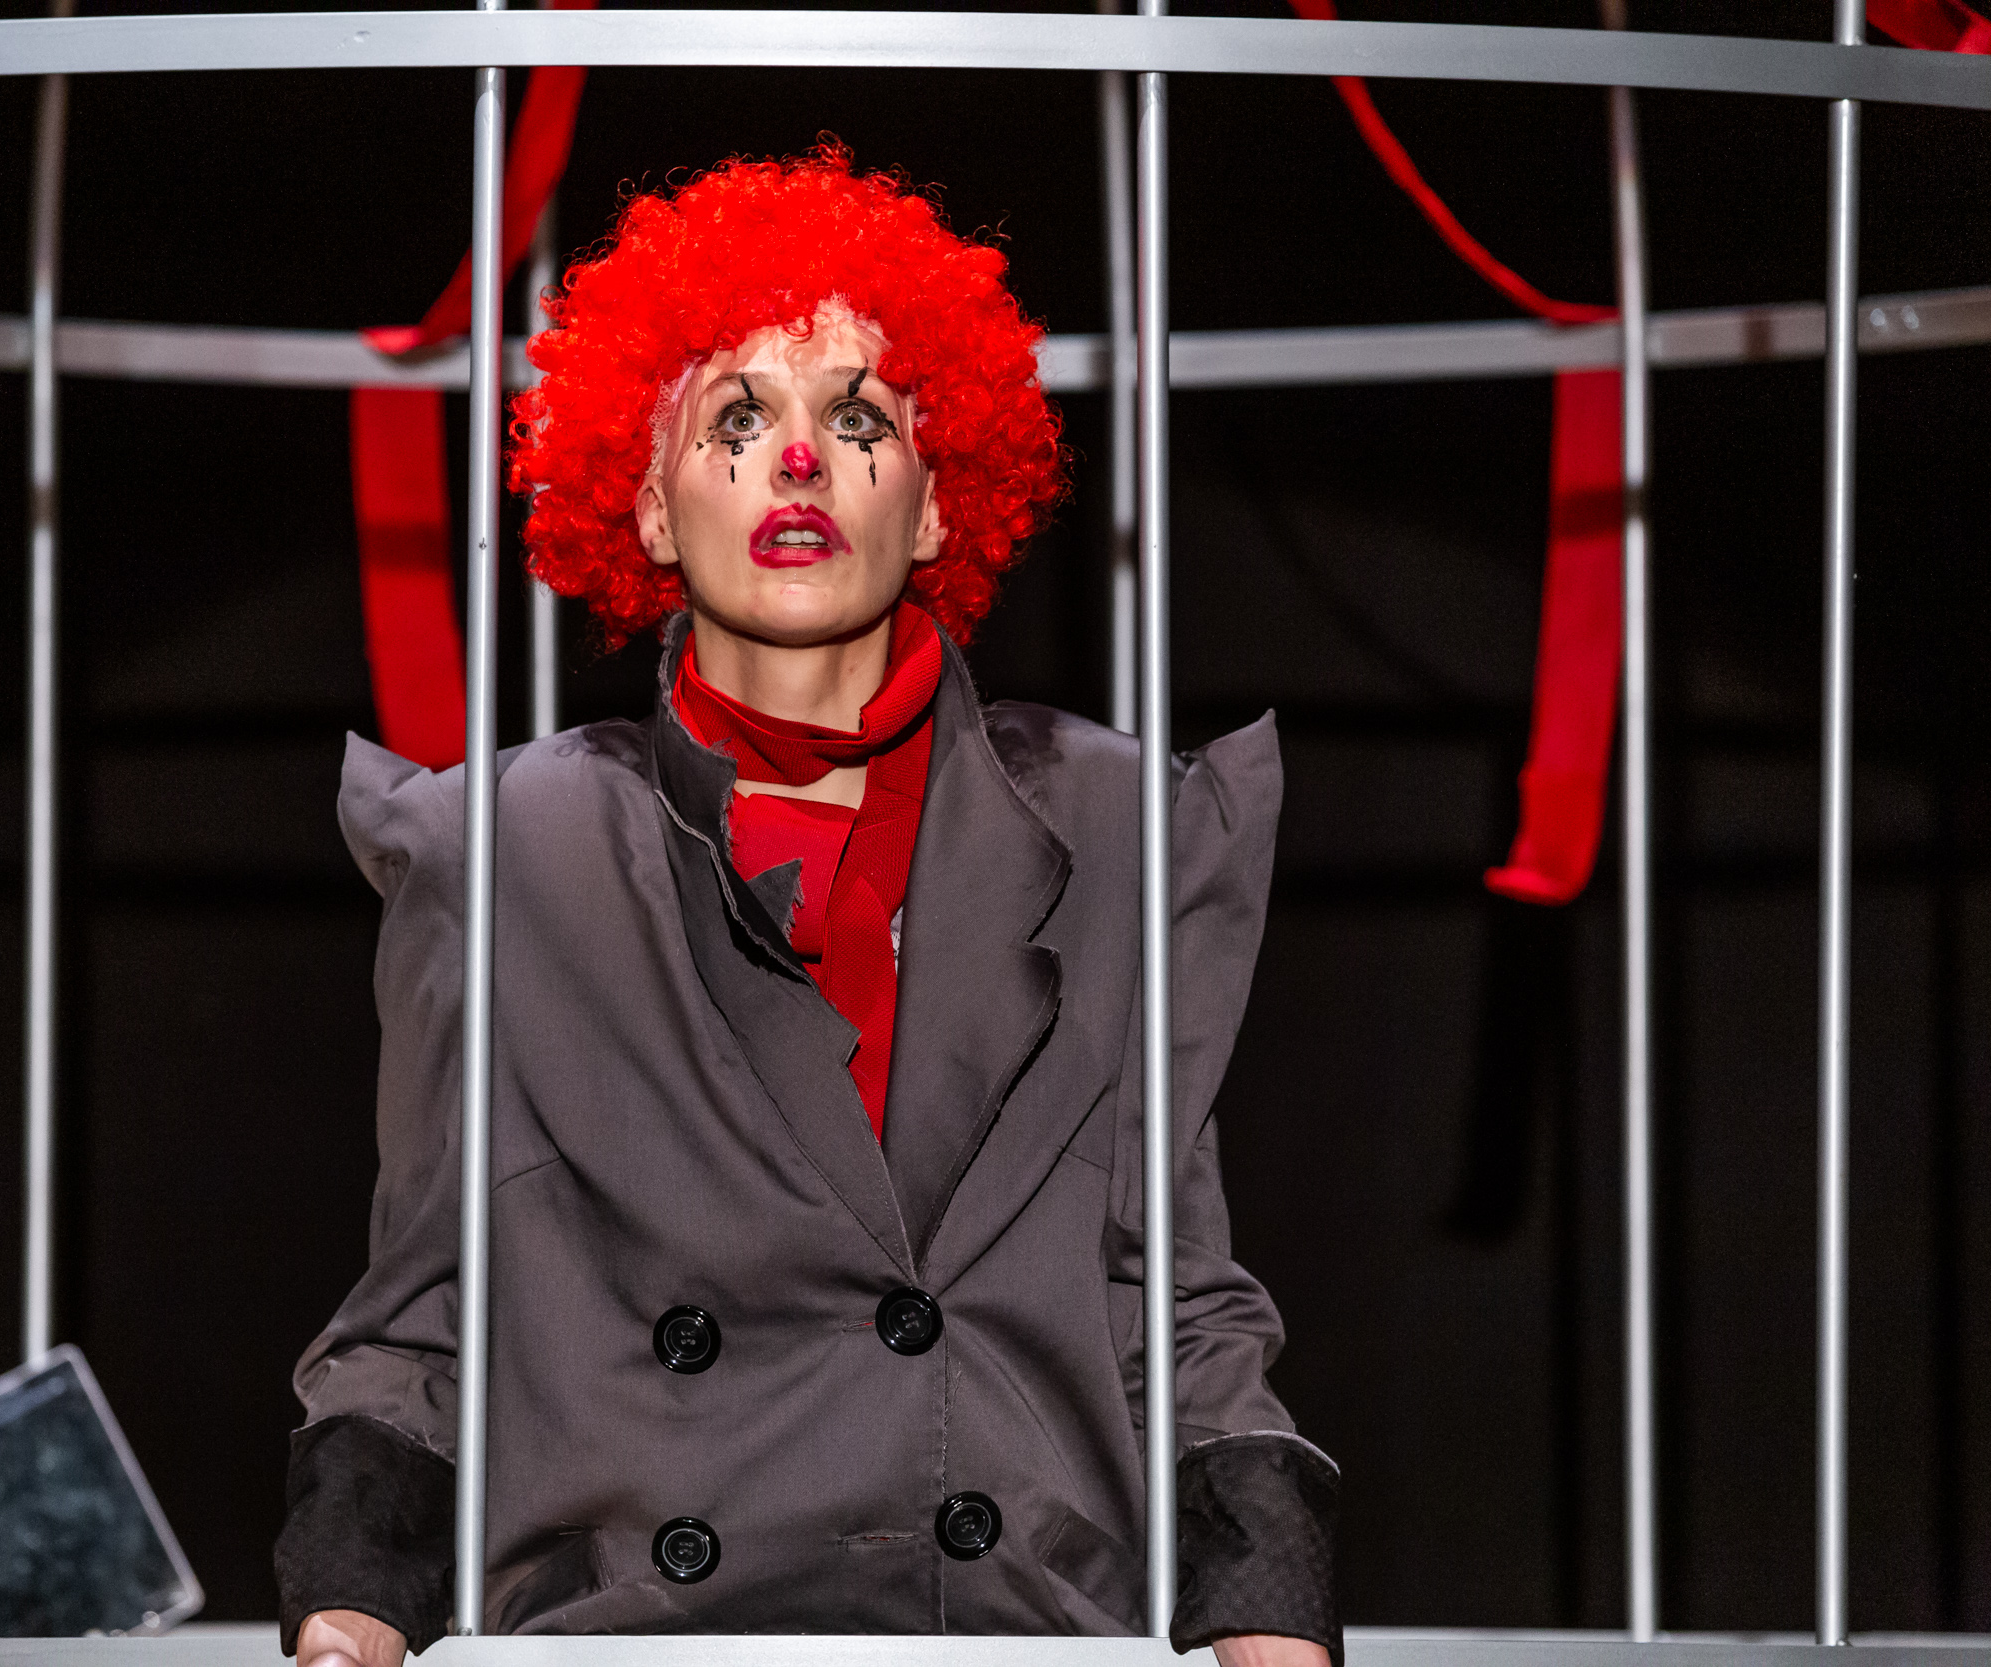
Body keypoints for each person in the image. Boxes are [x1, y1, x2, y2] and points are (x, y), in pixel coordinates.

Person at [275, 146, 1339, 1665]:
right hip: (642, 1641)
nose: (795, 462)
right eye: (735, 417)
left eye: (859, 419)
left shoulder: (1121, 828)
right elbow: (421, 1316)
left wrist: (1271, 1616)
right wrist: (348, 1613)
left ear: (938, 505)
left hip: (1014, 1636)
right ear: (648, 508)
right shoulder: (509, 852)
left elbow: (1175, 1292)